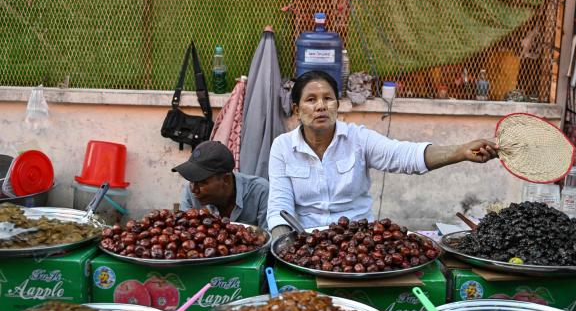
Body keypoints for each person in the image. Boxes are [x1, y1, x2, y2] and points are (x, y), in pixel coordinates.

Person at [267, 70, 498, 237]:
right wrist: (284, 250)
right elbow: (280, 209)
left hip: (357, 240)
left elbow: (405, 156)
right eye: (311, 100)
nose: (321, 106)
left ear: (337, 105)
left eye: (328, 99)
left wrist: (461, 151)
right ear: (297, 110)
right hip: (306, 241)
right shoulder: (282, 147)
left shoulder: (358, 139)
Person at [172, 141, 269, 229]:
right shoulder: (189, 191)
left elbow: (270, 240)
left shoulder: (261, 192)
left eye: (202, 182)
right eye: (191, 180)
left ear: (226, 179)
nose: (194, 189)